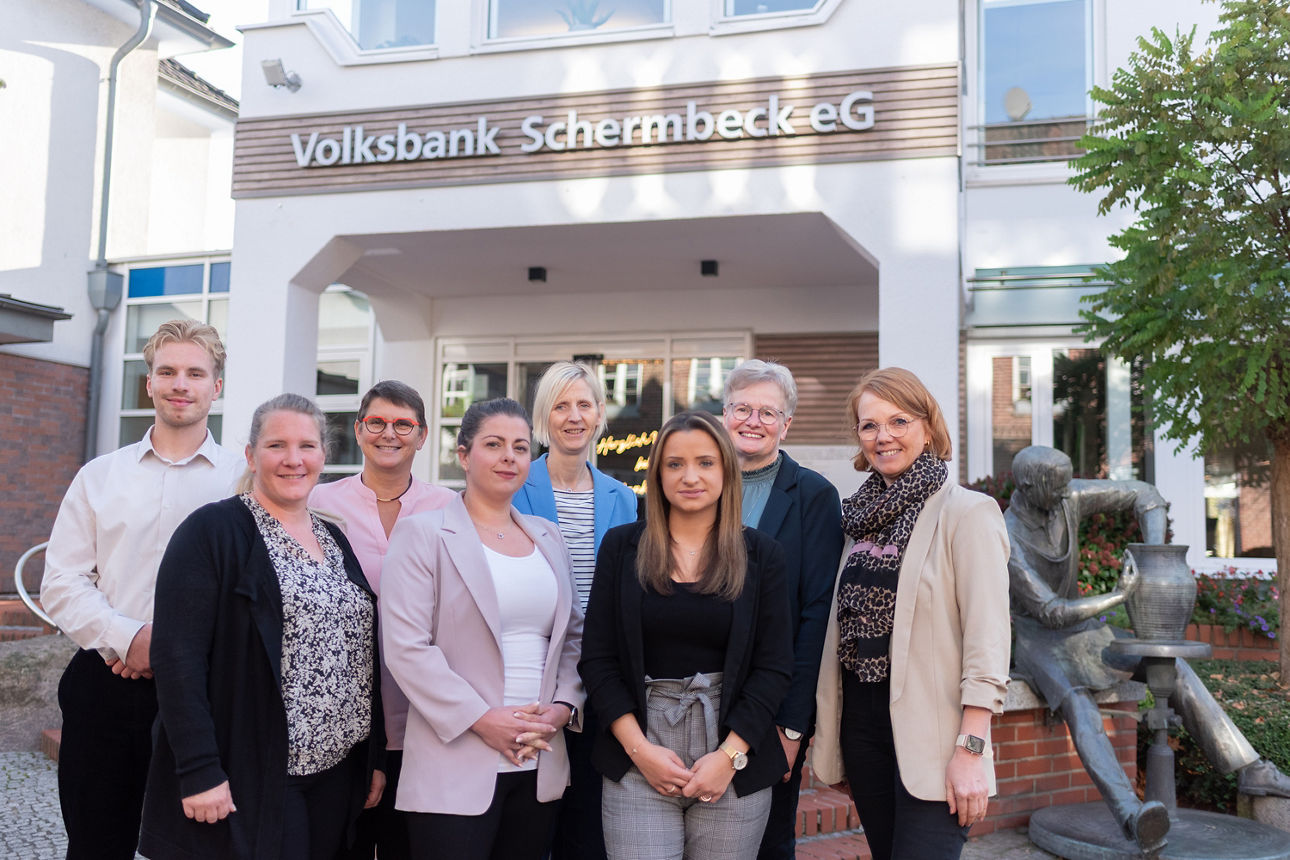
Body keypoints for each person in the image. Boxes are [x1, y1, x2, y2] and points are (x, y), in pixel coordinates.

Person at [1005, 444, 1290, 853]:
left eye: (1070, 484)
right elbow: (1049, 612)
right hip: (1039, 642)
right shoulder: (1006, 534)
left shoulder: (1068, 496)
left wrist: (1155, 556)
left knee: (1170, 666)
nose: (1068, 493)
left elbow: (1146, 494)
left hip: (1084, 630)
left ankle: (1251, 769)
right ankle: (1131, 814)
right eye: (1058, 486)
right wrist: (1119, 596)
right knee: (1080, 707)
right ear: (1030, 486)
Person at [139, 393, 386, 860]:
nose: (293, 460)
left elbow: (362, 655)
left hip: (338, 771)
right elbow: (177, 659)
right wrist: (199, 770)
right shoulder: (211, 532)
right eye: (277, 446)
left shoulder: (334, 538)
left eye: (307, 446)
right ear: (251, 456)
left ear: (324, 456)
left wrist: (373, 758)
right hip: (256, 772)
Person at [40, 320, 243, 860]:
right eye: (168, 371)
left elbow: (255, 589)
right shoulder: (99, 477)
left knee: (202, 846)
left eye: (196, 373)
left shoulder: (244, 481)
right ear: (148, 383)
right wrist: (128, 638)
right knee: (96, 845)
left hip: (207, 695)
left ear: (216, 386)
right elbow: (61, 580)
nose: (182, 383)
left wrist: (177, 653)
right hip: (107, 686)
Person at [813, 367, 1011, 860]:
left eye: (898, 421)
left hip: (938, 739)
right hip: (863, 730)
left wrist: (971, 749)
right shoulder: (855, 520)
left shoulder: (968, 513)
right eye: (869, 425)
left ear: (928, 425)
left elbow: (987, 640)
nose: (884, 437)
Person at [579, 410, 794, 860]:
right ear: (657, 474)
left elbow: (773, 667)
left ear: (726, 470)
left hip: (732, 752)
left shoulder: (762, 555)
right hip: (638, 746)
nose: (690, 476)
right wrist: (639, 750)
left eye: (705, 462)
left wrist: (729, 757)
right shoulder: (621, 548)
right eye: (675, 464)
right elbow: (597, 659)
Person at [380, 397, 586, 860]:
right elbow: (407, 649)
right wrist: (483, 720)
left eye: (519, 446)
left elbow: (572, 638)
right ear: (464, 454)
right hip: (454, 761)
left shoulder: (548, 537)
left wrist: (562, 709)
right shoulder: (422, 534)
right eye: (493, 444)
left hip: (539, 759)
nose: (509, 456)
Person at [309, 380, 455, 860]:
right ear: (358, 430)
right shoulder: (317, 503)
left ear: (423, 435)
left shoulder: (451, 509)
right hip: (340, 718)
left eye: (403, 424)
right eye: (376, 422)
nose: (388, 433)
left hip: (423, 721)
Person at [512, 360, 638, 860]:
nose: (573, 416)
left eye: (584, 404)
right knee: (532, 819)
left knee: (588, 820)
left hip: (602, 672)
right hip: (534, 673)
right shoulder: (516, 487)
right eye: (561, 405)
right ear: (545, 416)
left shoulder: (623, 498)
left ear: (600, 413)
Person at [720, 359, 844, 860]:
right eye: (742, 408)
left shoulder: (813, 496)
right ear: (724, 413)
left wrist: (793, 726)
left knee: (768, 843)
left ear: (786, 425)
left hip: (770, 707)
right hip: (690, 700)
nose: (753, 421)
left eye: (767, 413)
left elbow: (816, 615)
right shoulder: (694, 483)